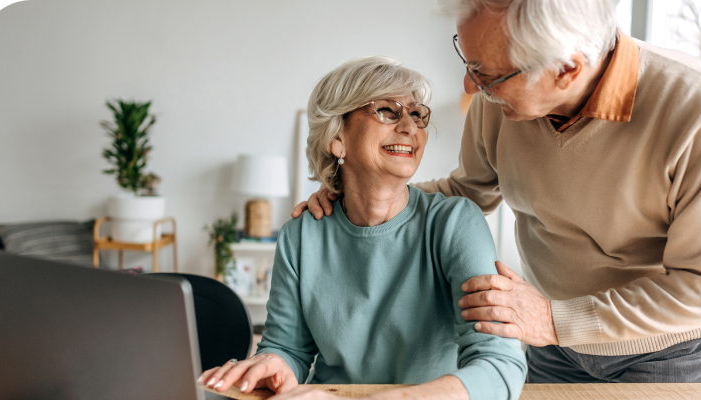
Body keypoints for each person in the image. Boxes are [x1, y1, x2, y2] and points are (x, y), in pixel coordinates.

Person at [294, 0, 701, 384]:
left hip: (661, 349)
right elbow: (467, 189)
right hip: (547, 334)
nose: (472, 86)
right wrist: (354, 199)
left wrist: (554, 319)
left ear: (566, 70)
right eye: (469, 62)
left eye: (488, 74)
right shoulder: (498, 102)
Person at [201, 56, 526, 400]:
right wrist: (271, 363)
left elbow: (499, 364)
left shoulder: (455, 222)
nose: (410, 127)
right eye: (387, 110)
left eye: (417, 114)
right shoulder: (302, 234)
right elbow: (288, 348)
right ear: (337, 137)